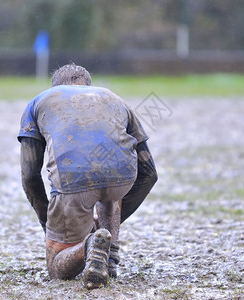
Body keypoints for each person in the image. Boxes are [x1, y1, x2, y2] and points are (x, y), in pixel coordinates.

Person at [18, 64, 157, 289]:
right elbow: (149, 174)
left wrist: (49, 225)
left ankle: (90, 245)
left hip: (73, 183)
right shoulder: (113, 98)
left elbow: (30, 175)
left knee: (56, 268)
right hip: (122, 179)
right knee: (110, 178)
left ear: (55, 87)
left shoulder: (39, 101)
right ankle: (109, 256)